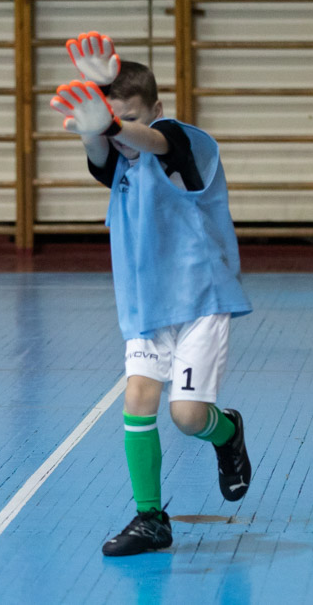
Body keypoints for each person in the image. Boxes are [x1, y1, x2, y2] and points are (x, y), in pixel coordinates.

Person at [49, 31, 253, 557]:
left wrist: (116, 124)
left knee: (188, 418)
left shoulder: (179, 143)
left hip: (200, 301)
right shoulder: (117, 160)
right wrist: (97, 120)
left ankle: (226, 432)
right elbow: (99, 144)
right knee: (138, 400)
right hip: (145, 307)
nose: (118, 132)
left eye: (129, 118)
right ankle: (151, 519)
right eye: (110, 120)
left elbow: (152, 141)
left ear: (155, 110)